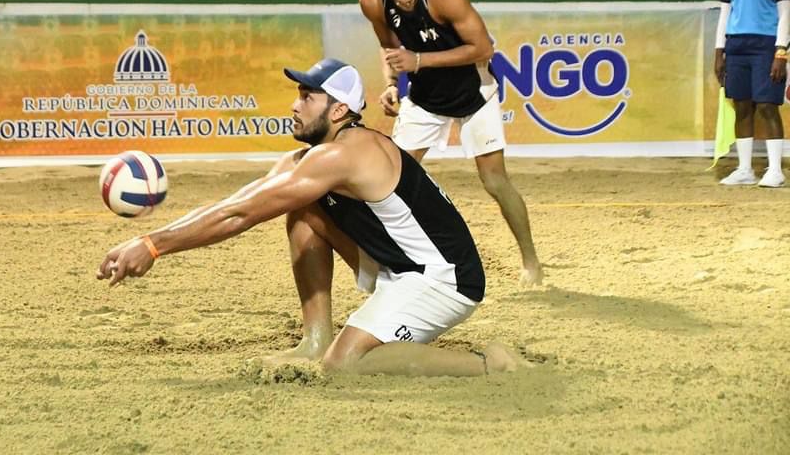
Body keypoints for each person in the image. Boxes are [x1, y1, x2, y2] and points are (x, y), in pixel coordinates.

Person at [97, 58, 530, 377]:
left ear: (339, 110)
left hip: (444, 280)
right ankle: (315, 338)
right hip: (397, 266)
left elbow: (240, 216)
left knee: (344, 366)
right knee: (302, 206)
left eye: (308, 97)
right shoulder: (308, 159)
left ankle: (486, 364)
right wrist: (156, 239)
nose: (295, 105)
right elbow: (240, 200)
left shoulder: (349, 153)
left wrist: (153, 245)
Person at [359, 0, 543, 286]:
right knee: (389, 180)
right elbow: (388, 48)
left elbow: (483, 49)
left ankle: (531, 262)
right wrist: (392, 82)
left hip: (473, 94)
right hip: (425, 98)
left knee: (494, 182)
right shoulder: (372, 0)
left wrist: (419, 60)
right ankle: (393, 266)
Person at [715, 0, 789, 188]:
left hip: (766, 45)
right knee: (742, 106)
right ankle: (744, 169)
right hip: (736, 47)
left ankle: (775, 170)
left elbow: (785, 16)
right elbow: (724, 16)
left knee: (768, 105)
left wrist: (781, 52)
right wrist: (719, 52)